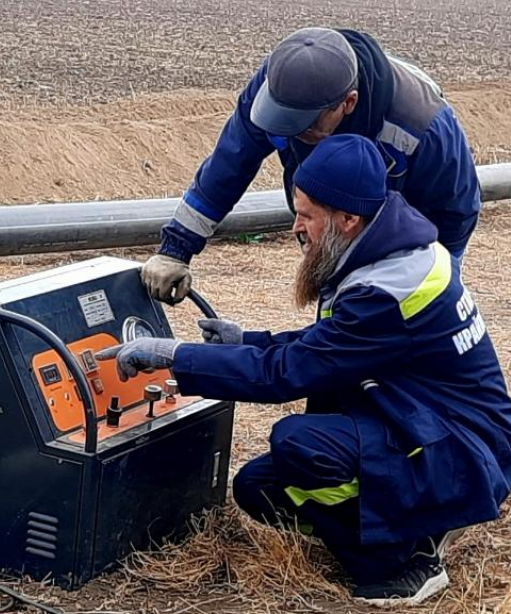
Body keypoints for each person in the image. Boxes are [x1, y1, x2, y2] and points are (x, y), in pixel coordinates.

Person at [98, 135, 511, 605]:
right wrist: (246, 342)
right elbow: (334, 349)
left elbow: (287, 374)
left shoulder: (388, 287)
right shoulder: (382, 248)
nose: (297, 227)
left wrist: (171, 354)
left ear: (347, 218)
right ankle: (413, 520)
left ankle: (407, 561)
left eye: (307, 215)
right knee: (259, 489)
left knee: (300, 445)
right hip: (424, 421)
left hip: (460, 448)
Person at [142, 27, 481, 305]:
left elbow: (456, 211)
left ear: (347, 103)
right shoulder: (279, 87)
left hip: (406, 225)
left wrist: (432, 293)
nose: (289, 132)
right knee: (336, 308)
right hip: (335, 226)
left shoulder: (420, 126)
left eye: (302, 125)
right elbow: (229, 164)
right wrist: (176, 248)